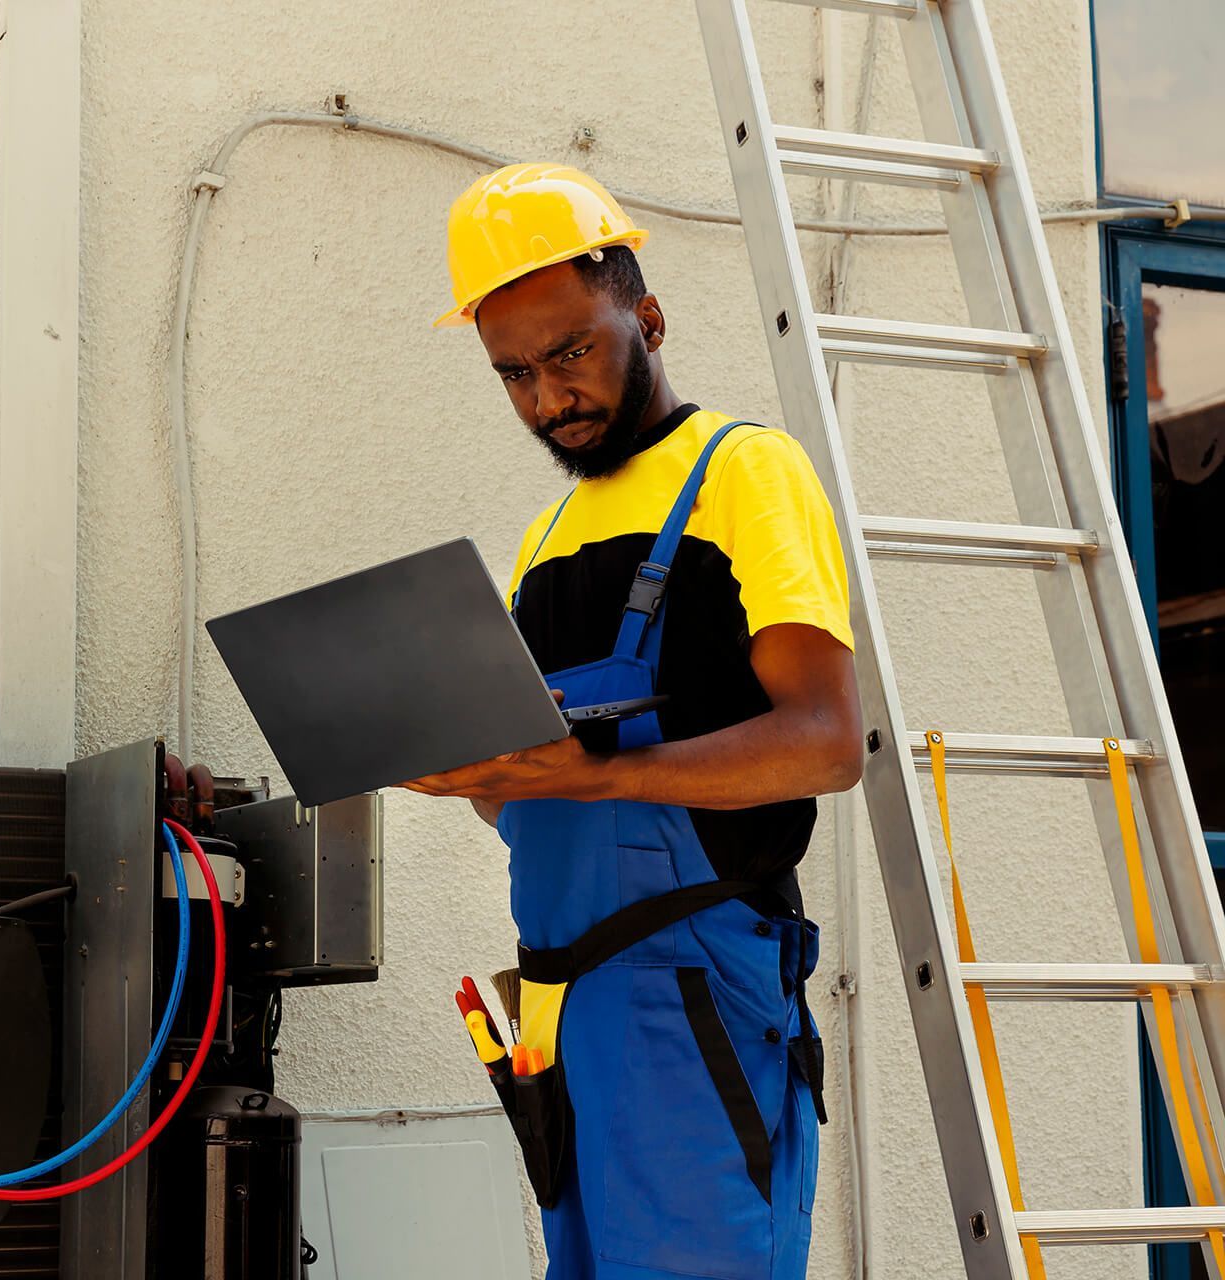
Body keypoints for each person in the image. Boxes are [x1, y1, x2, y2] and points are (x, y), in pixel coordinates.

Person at [404, 162, 864, 1280]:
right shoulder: (547, 537)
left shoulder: (744, 472)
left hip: (695, 986)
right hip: (562, 1006)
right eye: (514, 371)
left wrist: (589, 776)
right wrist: (469, 772)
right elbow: (533, 790)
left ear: (646, 316)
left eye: (571, 352)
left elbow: (827, 742)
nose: (547, 396)